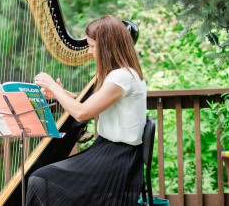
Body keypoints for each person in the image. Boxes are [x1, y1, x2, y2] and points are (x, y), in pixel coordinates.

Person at [26, 15, 147, 206]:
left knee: (40, 179)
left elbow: (82, 113)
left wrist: (52, 85)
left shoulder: (121, 77)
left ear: (106, 46)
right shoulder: (123, 74)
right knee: (42, 179)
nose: (89, 51)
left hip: (116, 161)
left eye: (92, 46)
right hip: (109, 152)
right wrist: (60, 94)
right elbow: (94, 104)